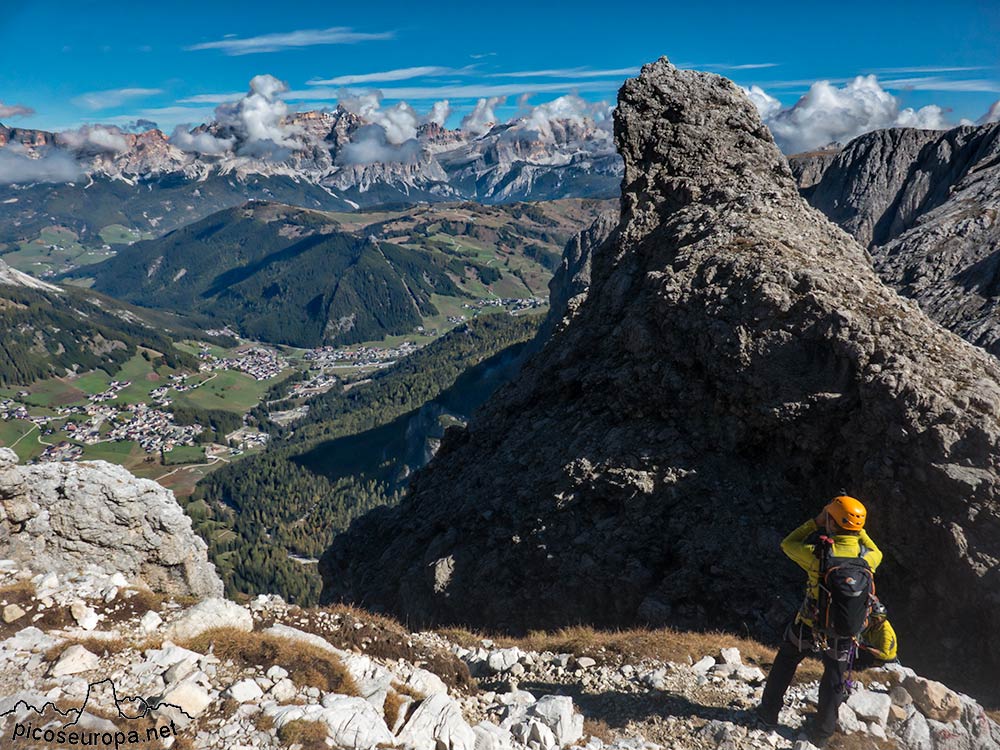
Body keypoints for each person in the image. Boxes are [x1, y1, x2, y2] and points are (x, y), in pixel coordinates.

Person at [756, 495, 883, 748]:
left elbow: (787, 543)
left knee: (786, 661)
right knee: (835, 678)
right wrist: (858, 530)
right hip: (845, 632)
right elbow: (876, 549)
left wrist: (815, 522)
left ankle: (768, 715)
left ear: (832, 522)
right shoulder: (869, 559)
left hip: (809, 624)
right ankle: (822, 734)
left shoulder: (818, 555)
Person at [855, 600, 898, 670]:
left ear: (879, 619)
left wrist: (867, 649)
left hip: (885, 660)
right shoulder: (876, 626)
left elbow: (884, 655)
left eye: (874, 618)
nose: (871, 620)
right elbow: (865, 636)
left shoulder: (886, 632)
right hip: (875, 651)